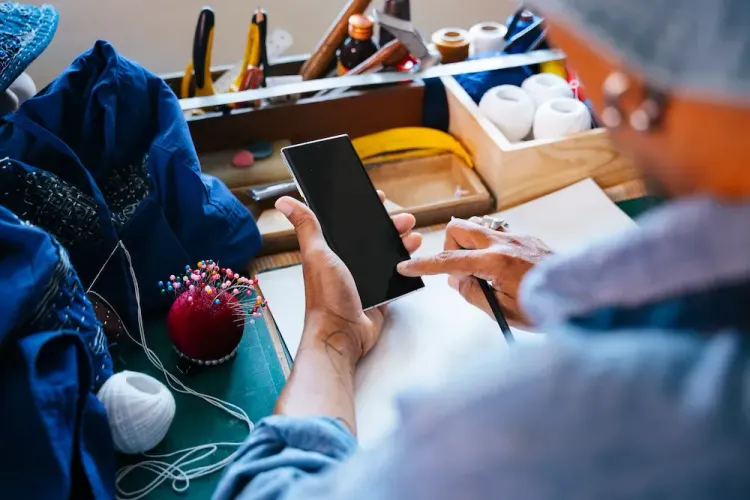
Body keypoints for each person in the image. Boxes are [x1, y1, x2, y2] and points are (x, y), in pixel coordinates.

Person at [214, 0, 750, 498]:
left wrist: (332, 330)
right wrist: (577, 288)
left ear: (631, 79)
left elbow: (267, 490)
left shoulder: (556, 417)